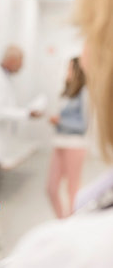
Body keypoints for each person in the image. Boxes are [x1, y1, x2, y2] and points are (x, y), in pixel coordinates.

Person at [0, 0, 113, 267]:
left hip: (72, 140)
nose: (85, 58)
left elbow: (81, 122)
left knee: (72, 190)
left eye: (89, 33)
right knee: (55, 188)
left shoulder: (70, 251)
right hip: (61, 139)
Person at [0, 45, 41, 249]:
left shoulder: (2, 78)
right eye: (21, 61)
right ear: (11, 60)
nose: (22, 66)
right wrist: (25, 113)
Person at [47, 57, 88, 219]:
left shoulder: (85, 93)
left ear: (78, 71)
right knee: (51, 188)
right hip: (60, 141)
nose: (67, 72)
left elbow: (83, 125)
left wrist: (60, 121)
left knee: (73, 190)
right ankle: (63, 222)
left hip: (75, 144)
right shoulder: (67, 91)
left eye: (70, 69)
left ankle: (72, 226)